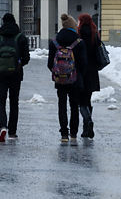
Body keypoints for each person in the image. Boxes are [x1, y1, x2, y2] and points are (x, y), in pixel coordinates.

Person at [0, 12, 30, 142]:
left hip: (0, 75)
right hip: (15, 75)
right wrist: (18, 64)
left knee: (0, 102)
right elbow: (26, 58)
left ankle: (2, 126)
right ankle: (12, 132)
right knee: (14, 102)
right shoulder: (20, 37)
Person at [47, 13, 87, 144]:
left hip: (60, 81)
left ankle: (64, 133)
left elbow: (49, 64)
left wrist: (59, 72)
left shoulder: (55, 41)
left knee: (62, 105)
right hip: (75, 80)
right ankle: (74, 133)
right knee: (74, 106)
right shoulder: (79, 41)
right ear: (73, 26)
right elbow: (83, 63)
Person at [77, 13, 102, 139]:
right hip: (92, 72)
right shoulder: (95, 34)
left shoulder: (79, 35)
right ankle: (87, 130)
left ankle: (88, 122)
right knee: (88, 100)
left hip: (82, 72)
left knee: (81, 102)